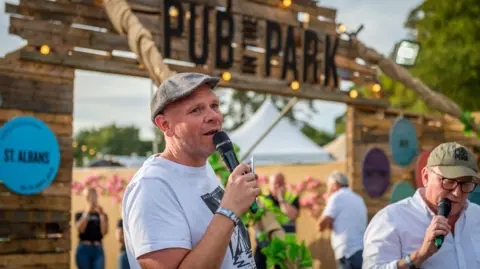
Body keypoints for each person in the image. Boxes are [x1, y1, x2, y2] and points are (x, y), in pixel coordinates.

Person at [122, 72, 259, 269]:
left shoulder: (204, 169)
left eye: (214, 106)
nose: (213, 116)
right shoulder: (152, 187)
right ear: (165, 125)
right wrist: (229, 210)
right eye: (196, 110)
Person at [363, 142, 480, 269]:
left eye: (465, 184)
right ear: (425, 177)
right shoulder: (389, 220)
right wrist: (420, 256)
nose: (457, 193)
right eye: (449, 181)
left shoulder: (477, 215)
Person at [316, 171, 367, 269]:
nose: (328, 190)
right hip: (361, 251)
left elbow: (320, 226)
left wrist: (327, 202)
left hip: (347, 253)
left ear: (334, 185)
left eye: (328, 187)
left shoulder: (336, 197)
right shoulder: (358, 198)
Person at [254, 172, 300, 269]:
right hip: (265, 247)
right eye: (275, 183)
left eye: (281, 183)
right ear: (270, 185)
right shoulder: (261, 200)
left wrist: (281, 199)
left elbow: (292, 215)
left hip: (285, 248)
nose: (278, 186)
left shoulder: (292, 199)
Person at [74, 187, 108, 269]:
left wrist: (101, 215)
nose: (91, 199)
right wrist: (87, 212)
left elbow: (104, 232)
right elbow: (80, 229)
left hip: (98, 249)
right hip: (84, 249)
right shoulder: (79, 214)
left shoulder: (102, 214)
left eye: (93, 196)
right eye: (88, 196)